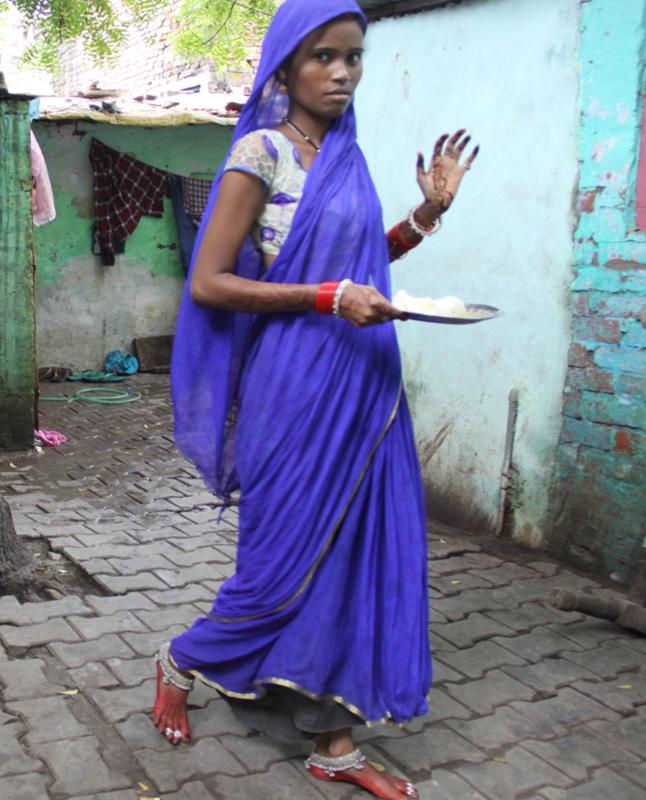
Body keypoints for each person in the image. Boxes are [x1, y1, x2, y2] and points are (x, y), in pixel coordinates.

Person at [154, 2, 479, 799]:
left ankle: (335, 742)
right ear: (286, 67)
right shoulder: (258, 155)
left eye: (354, 58)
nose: (340, 73)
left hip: (367, 383)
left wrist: (426, 217)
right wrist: (326, 299)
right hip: (293, 386)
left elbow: (369, 260)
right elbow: (210, 282)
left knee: (359, 557)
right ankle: (181, 661)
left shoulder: (348, 155)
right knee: (277, 567)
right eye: (323, 57)